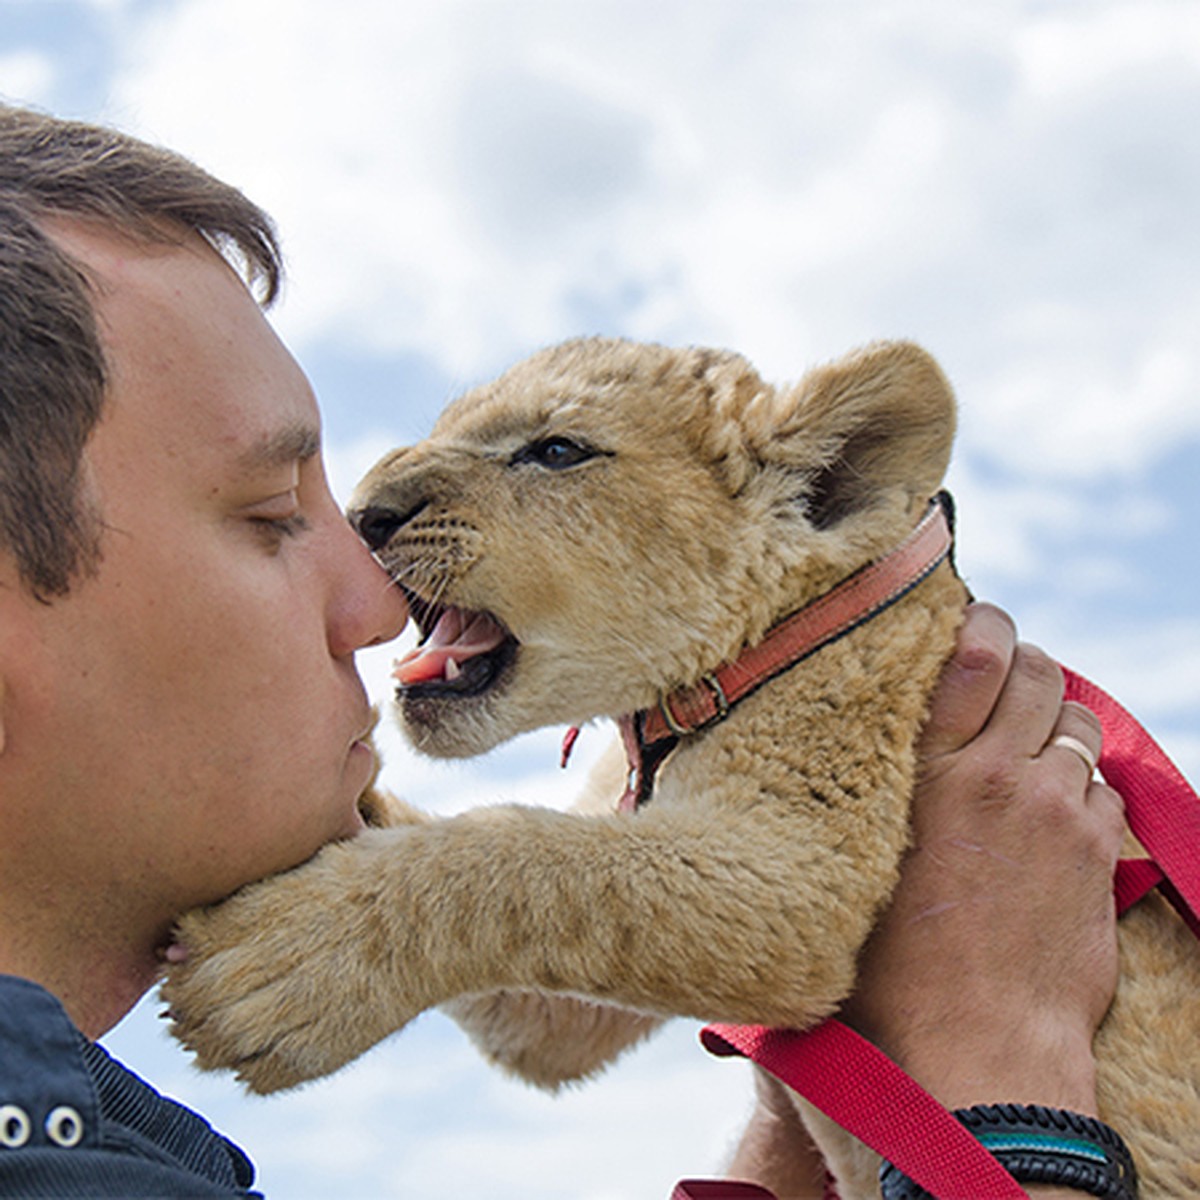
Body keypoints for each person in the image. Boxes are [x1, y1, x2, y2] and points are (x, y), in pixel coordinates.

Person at [0, 103, 1124, 1198]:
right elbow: (666, 969)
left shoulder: (826, 678)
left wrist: (400, 871)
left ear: (817, 494)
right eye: (265, 516)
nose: (378, 590)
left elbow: (588, 1010)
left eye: (552, 453)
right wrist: (1012, 1075)